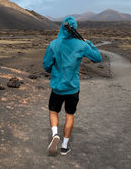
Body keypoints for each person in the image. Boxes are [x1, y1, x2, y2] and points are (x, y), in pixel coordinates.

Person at [43, 16, 102, 156]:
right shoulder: (81, 45)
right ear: (75, 29)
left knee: (53, 112)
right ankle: (64, 146)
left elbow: (46, 66)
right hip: (73, 88)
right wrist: (89, 44)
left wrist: (54, 71)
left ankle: (55, 134)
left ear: (62, 28)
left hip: (57, 87)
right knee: (70, 115)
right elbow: (97, 58)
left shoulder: (53, 44)